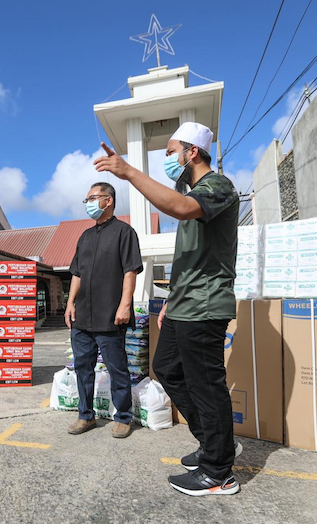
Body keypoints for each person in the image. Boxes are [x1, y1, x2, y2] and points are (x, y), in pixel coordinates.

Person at [94, 122, 241, 496]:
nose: (169, 160)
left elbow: (177, 206)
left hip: (205, 306)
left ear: (193, 152)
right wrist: (171, 300)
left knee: (207, 386)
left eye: (171, 151)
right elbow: (190, 259)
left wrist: (128, 172)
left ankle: (218, 473)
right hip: (183, 305)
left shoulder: (216, 187)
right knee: (167, 370)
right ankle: (215, 443)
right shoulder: (196, 196)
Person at [65, 182, 143, 439]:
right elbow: (76, 273)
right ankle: (85, 416)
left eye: (92, 198)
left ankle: (123, 417)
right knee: (82, 368)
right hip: (82, 317)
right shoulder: (85, 237)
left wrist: (125, 304)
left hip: (110, 316)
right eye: (86, 199)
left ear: (108, 201)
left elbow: (130, 271)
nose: (87, 203)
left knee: (117, 368)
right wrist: (69, 303)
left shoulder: (124, 232)